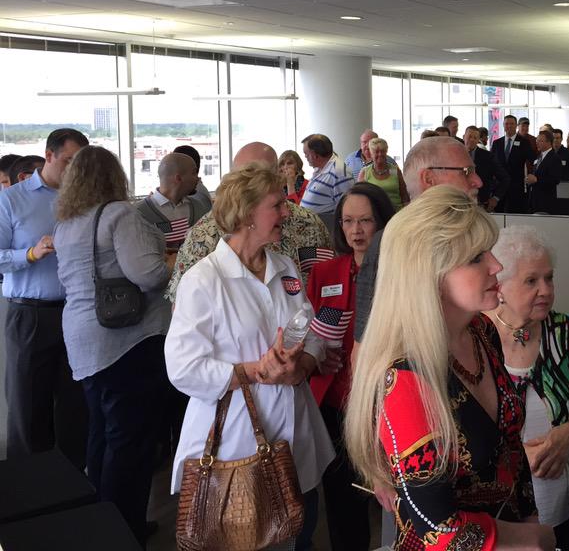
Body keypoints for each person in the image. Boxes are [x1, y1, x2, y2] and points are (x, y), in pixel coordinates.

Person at [344, 186, 555, 551]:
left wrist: (529, 519)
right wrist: (532, 538)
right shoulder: (404, 377)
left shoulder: (481, 331)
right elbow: (438, 530)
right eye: (476, 258)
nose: (496, 266)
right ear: (431, 275)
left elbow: (511, 452)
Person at [165, 164, 336, 551]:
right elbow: (182, 367)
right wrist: (254, 371)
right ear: (246, 215)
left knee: (296, 528)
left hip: (295, 429)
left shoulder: (284, 267)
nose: (287, 212)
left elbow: (309, 330)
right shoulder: (204, 280)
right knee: (244, 536)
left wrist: (302, 365)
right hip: (235, 441)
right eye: (277, 205)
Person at [54, 146, 171, 544]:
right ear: (114, 176)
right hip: (125, 340)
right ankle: (124, 532)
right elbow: (149, 274)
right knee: (130, 443)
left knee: (101, 433)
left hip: (82, 338)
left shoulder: (66, 223)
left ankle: (101, 524)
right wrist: (176, 261)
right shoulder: (119, 215)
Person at [487, 226, 569, 550]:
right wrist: (513, 460)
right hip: (501, 513)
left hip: (565, 500)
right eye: (531, 281)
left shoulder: (562, 331)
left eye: (549, 278)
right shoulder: (477, 337)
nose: (545, 290)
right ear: (500, 285)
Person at [306, 183, 395, 551]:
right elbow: (308, 333)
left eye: (365, 221)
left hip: (386, 401)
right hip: (335, 400)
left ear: (382, 224)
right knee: (342, 499)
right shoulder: (325, 272)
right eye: (347, 221)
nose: (355, 231)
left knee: (393, 498)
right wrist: (314, 357)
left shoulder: (399, 273)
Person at [0, 127, 89, 467]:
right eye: (68, 161)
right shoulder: (12, 199)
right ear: (49, 156)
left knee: (75, 408)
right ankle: (30, 491)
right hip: (31, 315)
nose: (74, 169)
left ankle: (73, 487)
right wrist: (31, 254)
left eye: (80, 163)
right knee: (28, 409)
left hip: (77, 312)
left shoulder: (83, 200)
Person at [354, 136, 483, 343]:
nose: (478, 181)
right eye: (466, 171)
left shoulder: (474, 235)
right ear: (429, 178)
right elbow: (364, 343)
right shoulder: (389, 244)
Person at [165, 142, 331, 303]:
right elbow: (182, 304)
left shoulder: (308, 223)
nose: (250, 185)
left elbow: (332, 284)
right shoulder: (204, 235)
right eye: (244, 177)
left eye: (261, 176)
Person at [135, 153, 205, 255]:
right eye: (194, 173)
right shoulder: (138, 213)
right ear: (178, 178)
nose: (198, 179)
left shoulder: (200, 207)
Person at [300, 133, 354, 224]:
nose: (305, 157)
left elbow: (347, 207)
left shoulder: (339, 172)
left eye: (306, 154)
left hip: (325, 228)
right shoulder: (320, 168)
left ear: (315, 155)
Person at [492, 114, 536, 214]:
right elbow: (491, 164)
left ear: (516, 126)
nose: (509, 126)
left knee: (515, 214)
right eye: (506, 124)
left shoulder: (524, 142)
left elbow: (533, 160)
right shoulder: (497, 143)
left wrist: (532, 175)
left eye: (512, 124)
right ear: (503, 125)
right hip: (499, 187)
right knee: (499, 214)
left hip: (516, 186)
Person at [357, 137, 410, 212]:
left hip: (396, 214)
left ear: (386, 152)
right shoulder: (364, 173)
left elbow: (404, 195)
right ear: (371, 154)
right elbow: (359, 197)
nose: (380, 154)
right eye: (376, 152)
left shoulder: (395, 170)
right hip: (375, 215)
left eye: (382, 151)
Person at [466, 125, 508, 211]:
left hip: (481, 204)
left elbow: (505, 179)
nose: (472, 139)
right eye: (469, 136)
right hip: (459, 202)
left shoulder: (488, 156)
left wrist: (495, 198)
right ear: (464, 137)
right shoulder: (455, 154)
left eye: (475, 137)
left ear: (478, 140)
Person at [526, 130, 560, 214]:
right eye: (537, 141)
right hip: (534, 200)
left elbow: (555, 180)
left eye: (540, 141)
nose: (537, 143)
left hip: (545, 201)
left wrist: (536, 180)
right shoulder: (539, 156)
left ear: (549, 142)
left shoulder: (554, 158)